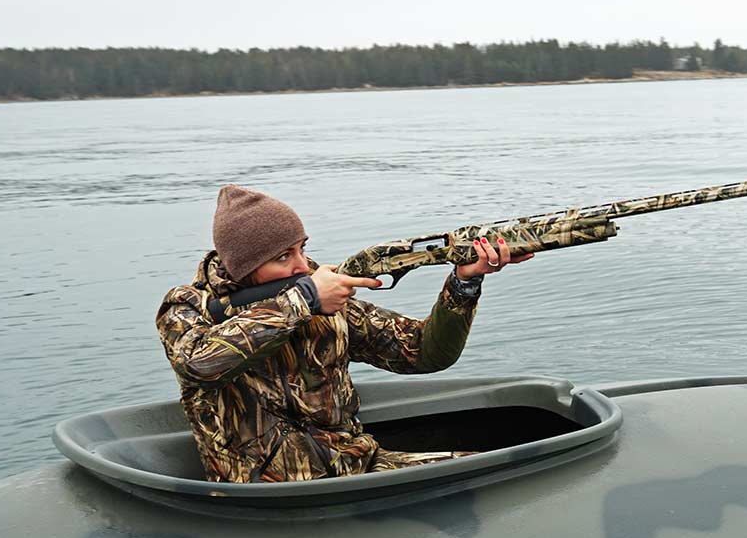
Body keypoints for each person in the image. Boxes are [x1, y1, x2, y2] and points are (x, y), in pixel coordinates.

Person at [157, 184, 529, 483]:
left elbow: (422, 353)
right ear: (243, 267)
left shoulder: (326, 298)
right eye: (283, 257)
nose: (302, 266)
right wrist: (303, 299)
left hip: (358, 469)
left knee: (503, 475)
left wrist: (465, 283)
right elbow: (199, 364)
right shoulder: (187, 308)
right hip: (270, 496)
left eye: (302, 249)